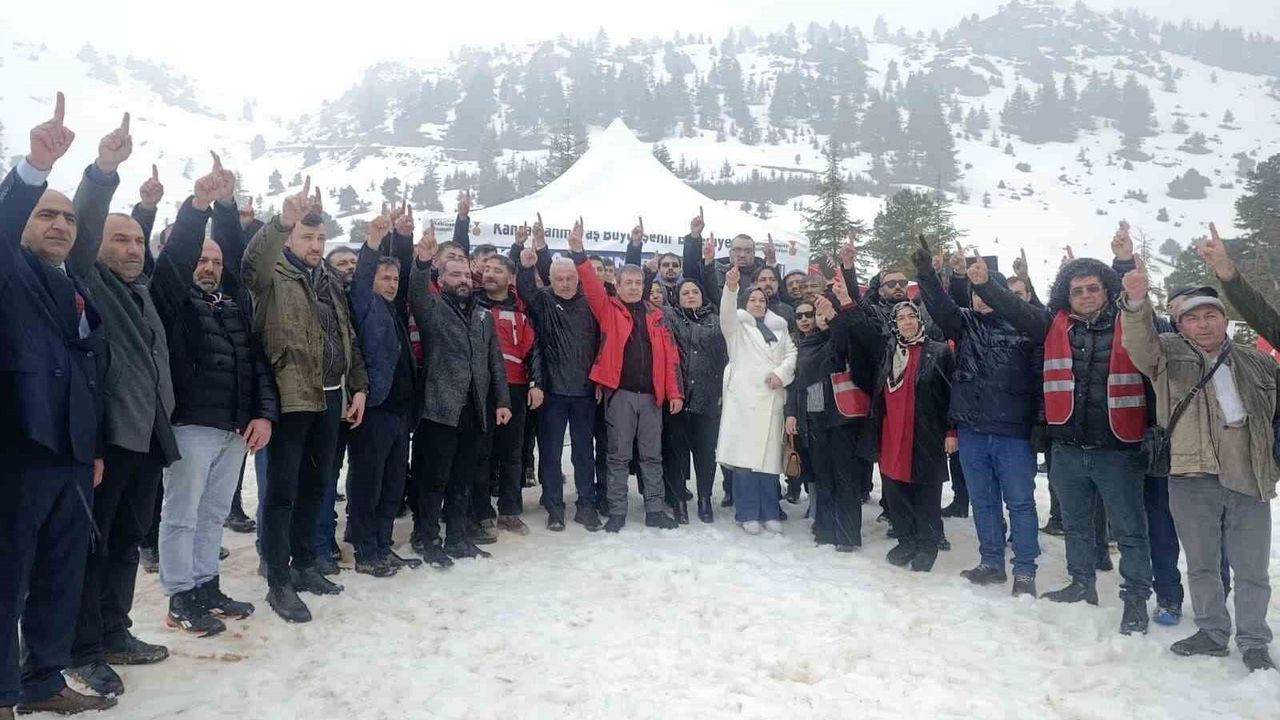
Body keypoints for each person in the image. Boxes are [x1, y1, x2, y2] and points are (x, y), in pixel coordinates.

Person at [971, 227, 1155, 636]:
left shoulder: (1130, 323)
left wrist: (1125, 262)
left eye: (1093, 288)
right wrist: (985, 285)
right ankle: (1081, 583)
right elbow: (1016, 310)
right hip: (1068, 447)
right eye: (1077, 291)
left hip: (1118, 447)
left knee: (1129, 530)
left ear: (1107, 290)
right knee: (1075, 523)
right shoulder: (1054, 325)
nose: (1085, 295)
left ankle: (1136, 600)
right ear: (1066, 295)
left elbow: (1141, 313)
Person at [0, 94, 118, 716]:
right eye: (46, 214)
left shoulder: (75, 285)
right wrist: (35, 169)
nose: (60, 226)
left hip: (71, 458)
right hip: (18, 453)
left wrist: (91, 449)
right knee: (6, 579)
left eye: (68, 219)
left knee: (59, 576)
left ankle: (42, 682)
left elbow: (87, 373)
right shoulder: (9, 272)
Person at [64, 114, 180, 696]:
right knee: (93, 546)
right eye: (120, 240)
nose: (132, 248)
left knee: (128, 541)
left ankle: (115, 629)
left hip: (147, 437)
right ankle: (81, 648)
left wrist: (149, 211)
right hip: (108, 440)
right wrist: (104, 171)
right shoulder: (87, 278)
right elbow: (85, 228)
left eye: (137, 240)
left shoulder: (140, 290)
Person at [1119, 254, 1276, 672]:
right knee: (1203, 563)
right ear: (1180, 325)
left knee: (1252, 569)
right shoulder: (1166, 355)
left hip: (1248, 474)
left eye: (1211, 315)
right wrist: (1136, 301)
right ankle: (1212, 631)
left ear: (1225, 320)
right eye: (1192, 318)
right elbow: (1137, 341)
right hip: (1191, 475)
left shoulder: (1258, 361)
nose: (1203, 324)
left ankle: (1254, 640)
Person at [151, 155, 276, 636]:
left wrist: (261, 414)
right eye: (202, 260)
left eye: (216, 262)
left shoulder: (232, 304)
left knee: (213, 513)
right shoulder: (173, 299)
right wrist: (200, 206)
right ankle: (180, 595)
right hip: (191, 424)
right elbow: (175, 260)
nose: (210, 267)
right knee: (181, 514)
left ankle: (206, 585)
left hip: (232, 426)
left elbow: (254, 360)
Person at [243, 178, 369, 624]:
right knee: (282, 492)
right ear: (290, 238)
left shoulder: (329, 280)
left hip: (331, 397)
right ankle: (278, 578)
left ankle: (305, 564)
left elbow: (346, 335)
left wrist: (358, 386)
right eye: (306, 237)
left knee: (317, 486)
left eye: (320, 238)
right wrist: (281, 221)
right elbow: (251, 263)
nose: (315, 245)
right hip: (290, 397)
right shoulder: (271, 277)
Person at [914, 241, 1039, 595]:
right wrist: (927, 274)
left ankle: (1025, 571)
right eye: (975, 294)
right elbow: (941, 307)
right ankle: (991, 562)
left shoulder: (1025, 325)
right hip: (972, 430)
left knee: (1020, 503)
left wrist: (988, 284)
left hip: (1013, 432)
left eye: (987, 293)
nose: (981, 300)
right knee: (983, 502)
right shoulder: (965, 324)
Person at [571, 218, 683, 532]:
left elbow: (671, 357)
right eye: (627, 283)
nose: (633, 287)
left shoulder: (657, 316)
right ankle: (617, 511)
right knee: (618, 456)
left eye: (638, 282)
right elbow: (591, 285)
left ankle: (655, 510)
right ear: (617, 286)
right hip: (619, 394)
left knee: (652, 455)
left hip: (651, 397)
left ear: (644, 285)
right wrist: (579, 253)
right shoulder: (608, 309)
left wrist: (675, 392)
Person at [407, 226, 512, 559]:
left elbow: (495, 362)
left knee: (464, 477)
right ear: (441, 279)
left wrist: (503, 401)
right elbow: (416, 291)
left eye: (466, 274)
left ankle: (457, 537)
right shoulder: (433, 308)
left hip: (474, 409)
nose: (463, 279)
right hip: (440, 410)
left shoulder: (482, 316)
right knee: (434, 478)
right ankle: (427, 538)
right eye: (455, 274)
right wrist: (422, 262)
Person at [514, 216, 602, 531]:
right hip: (552, 391)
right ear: (550, 279)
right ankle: (554, 506)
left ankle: (587, 505)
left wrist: (599, 380)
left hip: (584, 391)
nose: (565, 283)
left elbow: (603, 345)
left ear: (578, 278)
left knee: (583, 453)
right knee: (550, 453)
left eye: (570, 278)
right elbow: (525, 289)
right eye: (559, 278)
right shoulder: (544, 300)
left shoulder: (591, 304)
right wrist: (527, 265)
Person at [346, 213, 422, 577]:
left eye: (394, 278)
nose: (391, 284)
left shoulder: (394, 309)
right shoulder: (365, 303)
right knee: (368, 484)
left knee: (393, 485)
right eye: (384, 278)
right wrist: (374, 243)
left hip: (399, 413)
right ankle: (365, 550)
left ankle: (382, 543)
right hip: (374, 409)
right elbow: (362, 278)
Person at [787, 288, 868, 552]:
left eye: (825, 313)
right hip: (815, 418)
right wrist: (794, 413)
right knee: (823, 476)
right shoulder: (807, 344)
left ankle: (846, 534)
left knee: (845, 476)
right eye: (817, 314)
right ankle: (825, 527)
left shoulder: (841, 338)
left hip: (842, 418)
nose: (820, 318)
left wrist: (834, 318)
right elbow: (799, 383)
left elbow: (842, 342)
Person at [717, 265, 797, 534]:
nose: (758, 303)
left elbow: (792, 355)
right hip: (745, 405)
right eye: (752, 299)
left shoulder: (780, 329)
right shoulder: (737, 328)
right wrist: (731, 288)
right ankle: (747, 512)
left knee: (770, 462)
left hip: (772, 400)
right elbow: (726, 313)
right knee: (746, 461)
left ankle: (770, 511)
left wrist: (781, 374)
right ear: (744, 303)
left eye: (762, 300)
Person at [476, 242, 545, 538]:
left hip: (515, 387)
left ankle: (509, 510)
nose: (489, 274)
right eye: (487, 269)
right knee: (481, 451)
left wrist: (536, 383)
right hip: (481, 388)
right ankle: (481, 511)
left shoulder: (522, 309)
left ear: (511, 277)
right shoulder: (473, 304)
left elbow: (534, 349)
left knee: (512, 452)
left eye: (497, 270)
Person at [664, 276, 727, 523]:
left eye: (695, 292)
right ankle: (679, 500)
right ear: (677, 299)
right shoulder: (670, 318)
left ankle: (704, 499)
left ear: (702, 296)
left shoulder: (716, 322)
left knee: (705, 453)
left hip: (708, 397)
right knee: (676, 453)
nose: (690, 296)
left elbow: (724, 358)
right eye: (685, 293)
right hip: (678, 398)